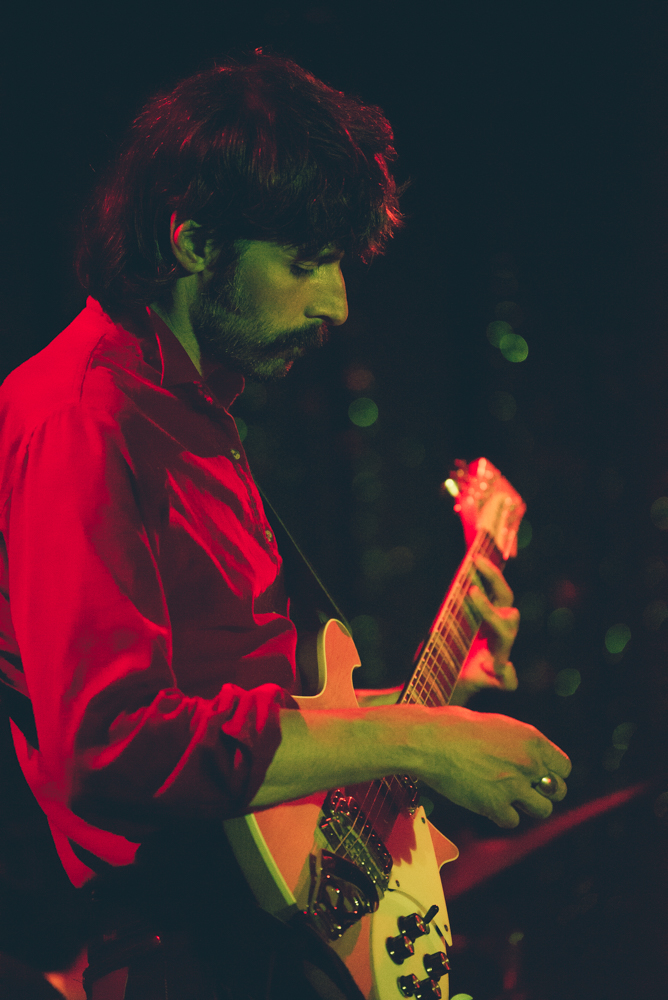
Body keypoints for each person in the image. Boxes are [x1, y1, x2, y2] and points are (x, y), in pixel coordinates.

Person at [0, 51, 570, 1000]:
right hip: (188, 957)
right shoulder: (83, 417)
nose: (337, 305)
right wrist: (422, 742)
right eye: (307, 264)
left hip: (266, 942)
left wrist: (430, 703)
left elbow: (240, 727)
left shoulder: (196, 416)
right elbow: (115, 743)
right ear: (191, 242)